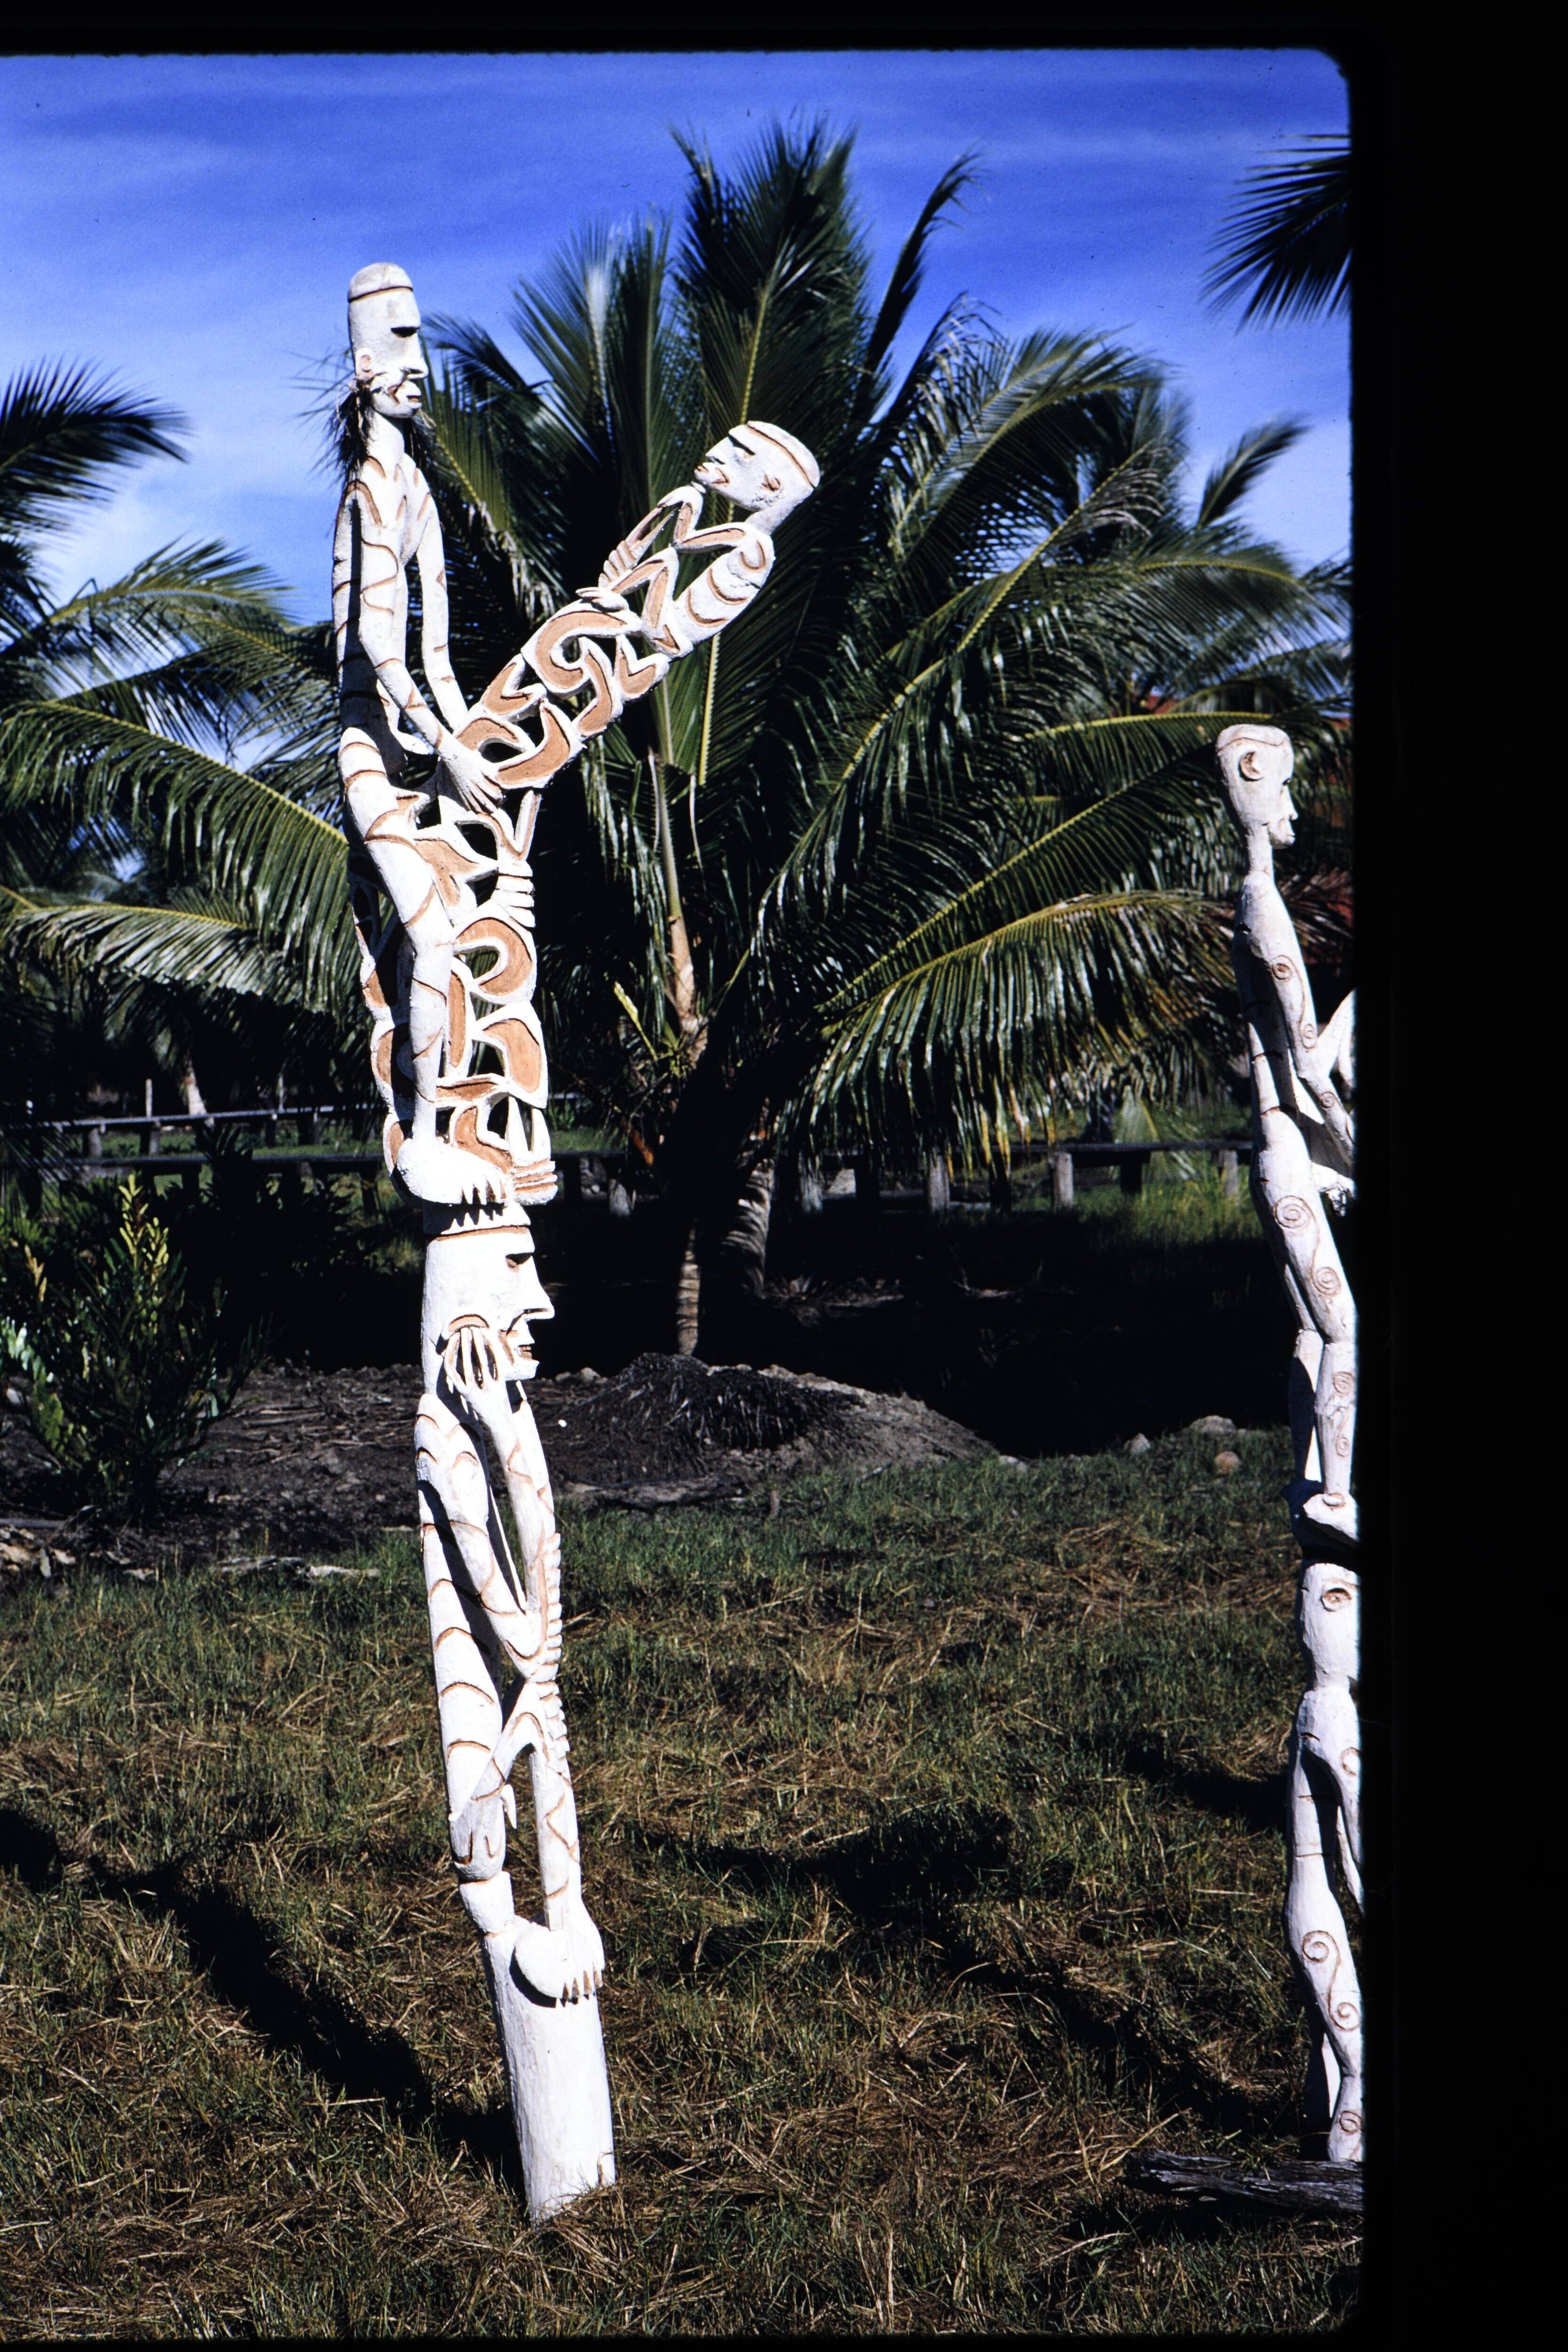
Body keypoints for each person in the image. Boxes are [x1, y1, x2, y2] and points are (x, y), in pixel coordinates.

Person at [1217, 723, 1357, 1545]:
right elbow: (1308, 1062)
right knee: (1344, 1329)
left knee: (1310, 1328)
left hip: (1276, 1157)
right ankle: (1336, 1496)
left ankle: (1310, 1485)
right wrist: (1351, 1140)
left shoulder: (1249, 899)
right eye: (1285, 790)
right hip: (1289, 1158)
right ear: (1254, 782)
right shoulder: (1262, 904)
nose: (1296, 810)